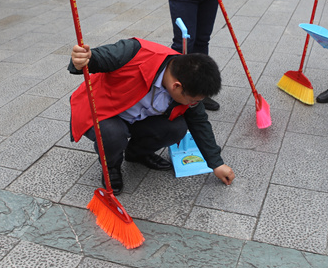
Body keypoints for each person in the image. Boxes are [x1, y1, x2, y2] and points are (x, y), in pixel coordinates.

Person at [68, 38, 235, 194]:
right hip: (103, 111)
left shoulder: (188, 81)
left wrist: (216, 164)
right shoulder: (134, 52)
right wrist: (83, 59)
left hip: (137, 118)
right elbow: (97, 59)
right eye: (192, 101)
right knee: (112, 134)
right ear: (176, 86)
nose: (193, 104)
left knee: (176, 128)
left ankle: (137, 153)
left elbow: (199, 123)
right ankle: (111, 167)